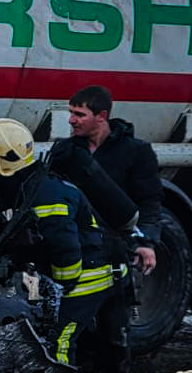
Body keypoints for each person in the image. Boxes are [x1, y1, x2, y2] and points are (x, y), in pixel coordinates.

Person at [0, 117, 118, 373]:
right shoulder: (18, 189)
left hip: (84, 278)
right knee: (38, 335)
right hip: (58, 277)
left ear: (4, 163)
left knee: (57, 342)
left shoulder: (46, 195)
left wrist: (57, 292)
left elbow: (65, 251)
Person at [50, 85, 161, 276]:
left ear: (101, 116)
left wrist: (145, 243)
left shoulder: (136, 152)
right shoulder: (64, 152)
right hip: (77, 247)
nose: (71, 120)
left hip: (116, 249)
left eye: (79, 114)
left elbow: (149, 202)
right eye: (71, 113)